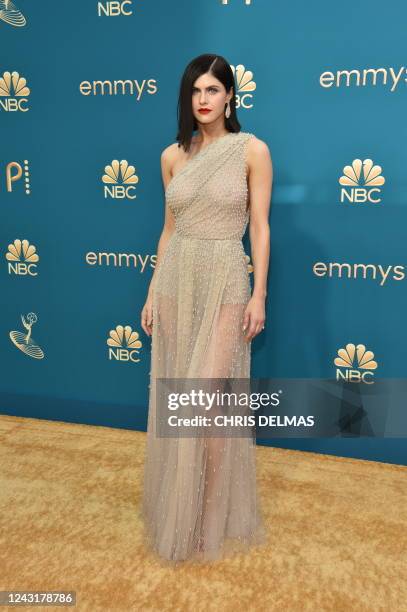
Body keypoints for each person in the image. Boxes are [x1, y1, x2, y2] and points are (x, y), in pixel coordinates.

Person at [140, 53, 273, 565]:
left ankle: (209, 515)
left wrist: (258, 293)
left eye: (213, 90)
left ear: (230, 97)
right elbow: (169, 231)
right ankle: (181, 508)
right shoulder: (172, 156)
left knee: (207, 402)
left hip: (225, 279)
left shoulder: (252, 150)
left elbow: (259, 226)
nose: (203, 99)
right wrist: (152, 292)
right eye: (196, 90)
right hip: (177, 279)